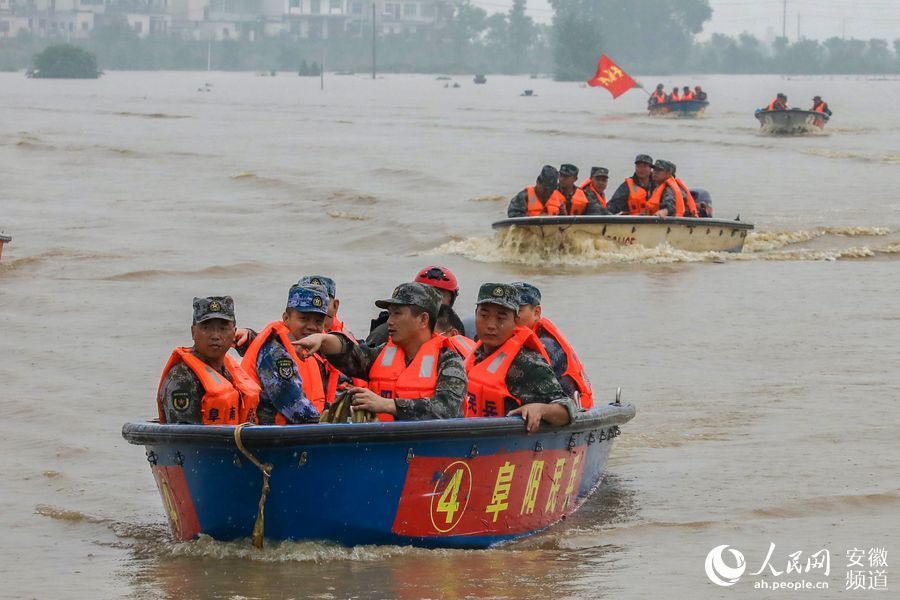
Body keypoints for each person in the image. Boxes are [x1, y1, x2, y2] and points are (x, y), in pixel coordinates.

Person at [295, 282, 467, 421]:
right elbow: (354, 355)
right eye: (390, 314)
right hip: (385, 446)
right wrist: (323, 339)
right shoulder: (384, 353)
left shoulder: (449, 361)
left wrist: (388, 405)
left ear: (423, 319)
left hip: (427, 452)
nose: (389, 322)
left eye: (397, 314)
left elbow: (447, 409)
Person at [464, 283, 577, 433]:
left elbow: (567, 410)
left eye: (501, 318)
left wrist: (541, 409)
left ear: (515, 321)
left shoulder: (528, 362)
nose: (491, 325)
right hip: (470, 443)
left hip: (507, 448)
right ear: (476, 314)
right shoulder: (475, 356)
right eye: (484, 316)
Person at [240, 284, 336, 424]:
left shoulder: (305, 346)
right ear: (286, 318)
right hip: (271, 437)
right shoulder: (275, 354)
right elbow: (295, 408)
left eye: (318, 321)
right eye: (304, 318)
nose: (312, 326)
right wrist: (332, 423)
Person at [157, 296, 259, 425]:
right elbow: (183, 436)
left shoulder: (228, 373)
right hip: (203, 444)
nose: (215, 336)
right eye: (206, 328)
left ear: (234, 333)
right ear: (193, 332)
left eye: (223, 329)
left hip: (235, 443)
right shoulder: (182, 378)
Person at [512, 282, 594, 410]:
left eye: (518, 311)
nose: (511, 316)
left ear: (536, 312)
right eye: (507, 310)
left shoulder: (545, 346)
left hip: (566, 412)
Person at [367, 265, 462, 346]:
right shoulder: (384, 333)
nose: (432, 301)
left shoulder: (453, 331)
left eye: (438, 295)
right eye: (425, 295)